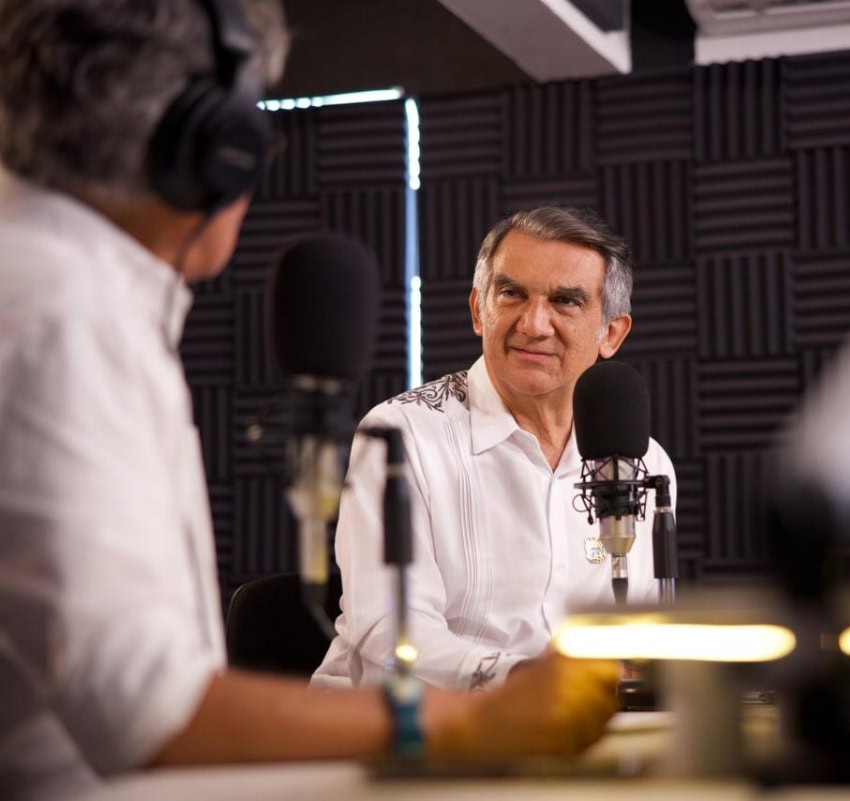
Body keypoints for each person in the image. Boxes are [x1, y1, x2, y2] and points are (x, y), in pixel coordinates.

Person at [0, 2, 618, 799]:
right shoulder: (61, 316)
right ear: (216, 144)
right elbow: (148, 712)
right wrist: (468, 721)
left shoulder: (63, 294)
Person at [313, 206, 678, 691]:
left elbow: (639, 636)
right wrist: (523, 682)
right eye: (512, 294)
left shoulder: (642, 462)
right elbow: (388, 626)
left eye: (565, 301)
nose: (534, 324)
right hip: (407, 723)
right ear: (478, 311)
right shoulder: (400, 437)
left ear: (610, 333)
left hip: (571, 724)